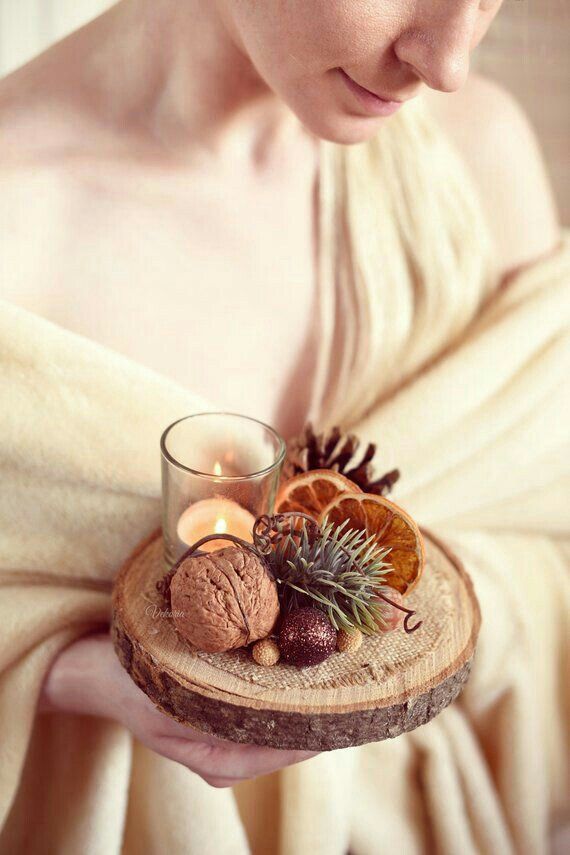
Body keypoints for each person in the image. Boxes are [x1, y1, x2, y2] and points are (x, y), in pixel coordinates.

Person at [0, 1, 566, 853]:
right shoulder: (17, 215)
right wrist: (90, 678)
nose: (447, 61)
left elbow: (550, 536)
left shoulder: (478, 165)